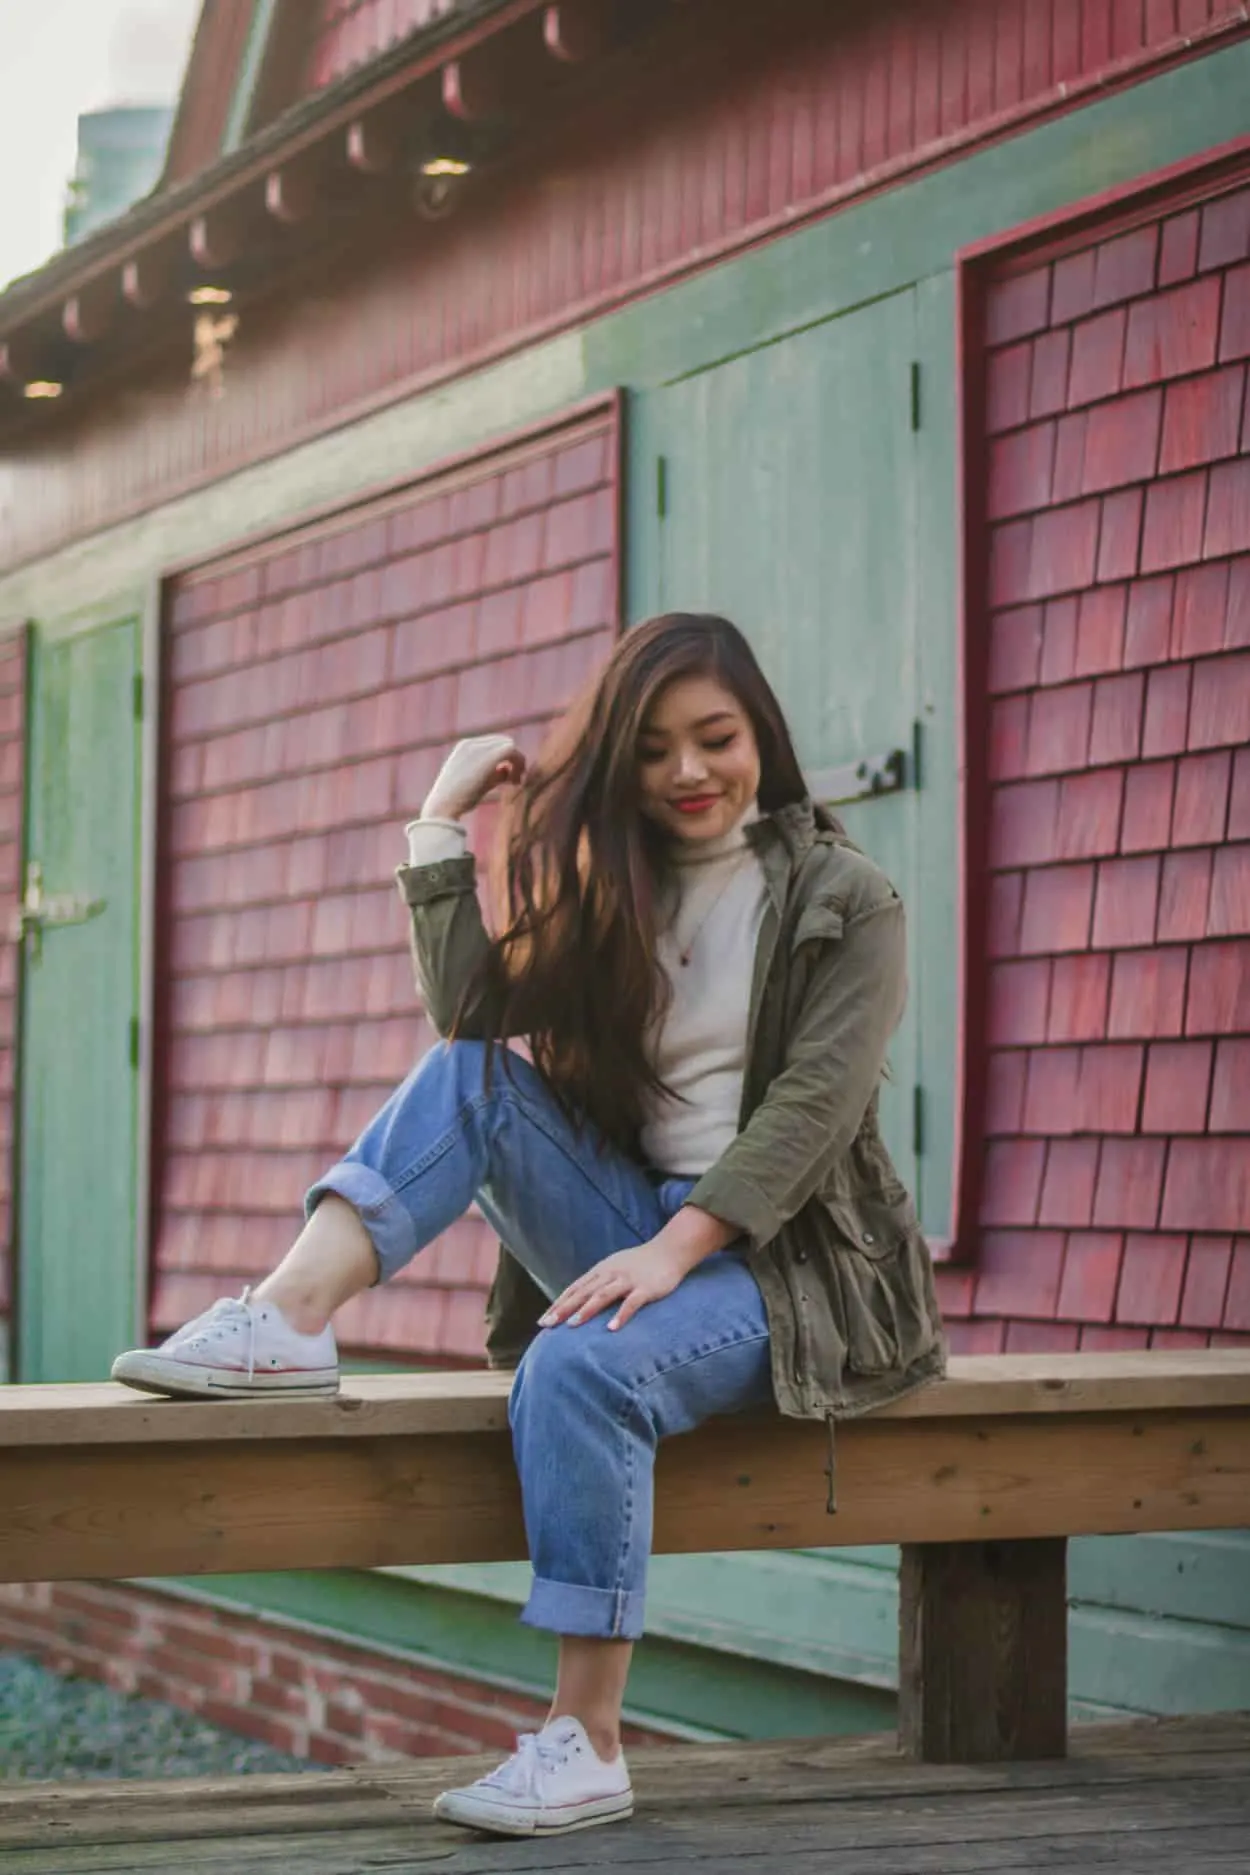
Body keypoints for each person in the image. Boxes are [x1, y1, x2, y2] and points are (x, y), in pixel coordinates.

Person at [113, 612, 945, 1838]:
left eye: (714, 739)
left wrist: (672, 1252)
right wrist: (441, 824)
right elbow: (469, 1011)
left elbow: (811, 1112)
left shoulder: (844, 897)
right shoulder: (627, 884)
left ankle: (585, 1743)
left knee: (582, 1364)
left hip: (786, 1275)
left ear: (758, 732)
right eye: (655, 750)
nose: (687, 774)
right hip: (635, 1221)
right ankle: (285, 1324)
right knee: (471, 1079)